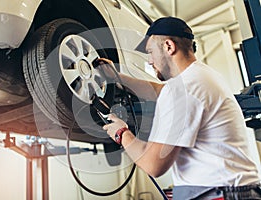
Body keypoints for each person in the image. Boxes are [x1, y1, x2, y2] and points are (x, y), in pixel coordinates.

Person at [100, 17, 261, 199]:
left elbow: (154, 165)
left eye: (151, 52)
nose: (150, 61)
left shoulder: (184, 89)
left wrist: (122, 133)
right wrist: (118, 77)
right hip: (232, 191)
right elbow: (160, 92)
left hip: (219, 194)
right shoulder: (200, 77)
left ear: (169, 47)